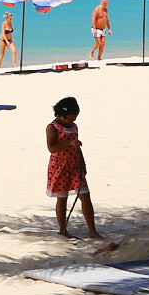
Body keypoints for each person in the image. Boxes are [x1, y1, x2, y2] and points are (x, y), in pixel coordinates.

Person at [46, 97, 101, 240]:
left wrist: (83, 163)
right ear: (62, 115)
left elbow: (77, 146)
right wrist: (70, 143)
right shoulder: (52, 128)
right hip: (60, 167)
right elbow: (52, 148)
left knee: (85, 196)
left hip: (75, 165)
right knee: (62, 198)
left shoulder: (74, 127)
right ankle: (63, 229)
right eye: (70, 118)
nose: (73, 121)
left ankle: (92, 230)